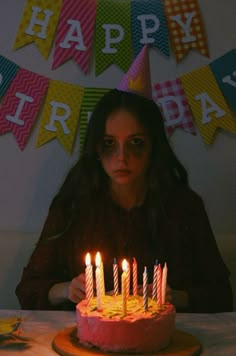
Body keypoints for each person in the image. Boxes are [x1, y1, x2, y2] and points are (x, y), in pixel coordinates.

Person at [15, 46, 233, 313]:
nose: (122, 157)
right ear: (96, 147)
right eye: (109, 143)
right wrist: (65, 289)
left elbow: (221, 295)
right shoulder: (72, 205)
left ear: (154, 147)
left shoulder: (184, 207)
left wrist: (174, 295)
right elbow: (27, 289)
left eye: (136, 143)